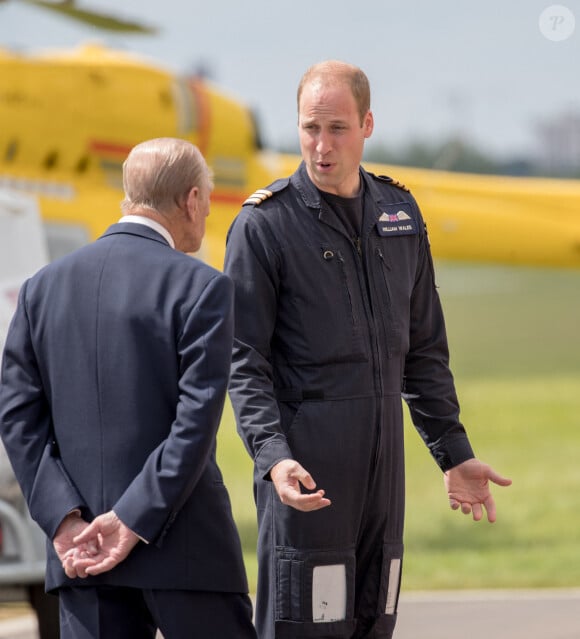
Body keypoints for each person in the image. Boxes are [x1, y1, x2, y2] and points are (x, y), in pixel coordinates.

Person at [224, 61, 512, 639]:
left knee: (374, 624)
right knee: (306, 629)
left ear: (367, 125)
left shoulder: (399, 216)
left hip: (384, 479)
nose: (321, 146)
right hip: (306, 478)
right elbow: (242, 360)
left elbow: (425, 352)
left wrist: (453, 452)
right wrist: (273, 456)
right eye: (310, 128)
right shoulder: (265, 226)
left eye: (336, 128)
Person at [0, 137, 257, 639]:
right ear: (191, 200)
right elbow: (194, 425)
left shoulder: (41, 288)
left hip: (81, 559)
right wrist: (129, 519)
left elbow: (17, 417)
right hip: (186, 551)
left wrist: (64, 519)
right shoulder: (202, 287)